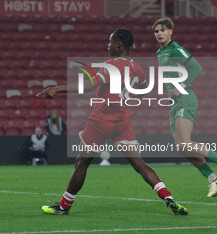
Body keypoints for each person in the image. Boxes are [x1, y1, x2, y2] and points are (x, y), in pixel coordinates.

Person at [37, 28, 188, 215]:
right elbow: (142, 87)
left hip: (101, 120)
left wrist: (58, 88)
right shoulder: (137, 69)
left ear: (119, 45)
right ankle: (168, 198)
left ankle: (63, 206)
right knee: (139, 164)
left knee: (82, 163)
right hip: (122, 120)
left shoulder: (111, 65)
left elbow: (90, 85)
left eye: (110, 42)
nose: (107, 46)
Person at [153, 17, 217, 197]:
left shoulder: (175, 49)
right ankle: (213, 178)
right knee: (182, 148)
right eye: (156, 31)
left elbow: (196, 67)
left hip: (185, 100)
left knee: (185, 143)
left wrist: (179, 88)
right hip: (175, 104)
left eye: (162, 30)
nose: (159, 33)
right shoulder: (160, 53)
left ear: (170, 31)